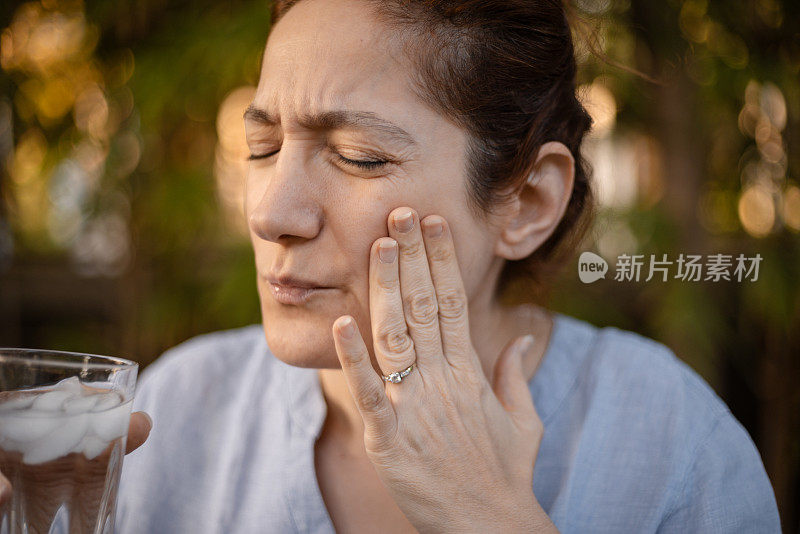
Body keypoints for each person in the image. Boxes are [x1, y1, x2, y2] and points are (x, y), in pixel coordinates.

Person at [111, 0, 781, 532]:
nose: (270, 214)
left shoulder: (672, 447)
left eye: (357, 155)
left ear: (526, 202)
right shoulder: (176, 415)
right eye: (262, 147)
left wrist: (489, 517)